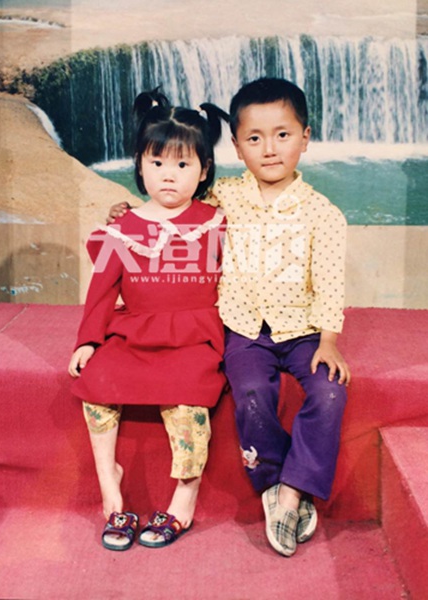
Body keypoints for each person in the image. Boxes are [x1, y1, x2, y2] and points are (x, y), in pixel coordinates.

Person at [108, 77, 351, 557]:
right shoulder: (225, 197)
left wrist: (329, 341)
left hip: (304, 331)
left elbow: (329, 283)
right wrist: (131, 211)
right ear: (237, 147)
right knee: (253, 392)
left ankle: (293, 490)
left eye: (283, 135)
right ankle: (270, 480)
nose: (269, 149)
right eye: (254, 138)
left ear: (305, 138)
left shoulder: (324, 215)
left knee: (329, 391)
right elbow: (174, 207)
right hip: (243, 329)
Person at [69, 88, 228, 551]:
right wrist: (87, 341)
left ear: (204, 170)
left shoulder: (218, 222)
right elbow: (102, 291)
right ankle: (110, 487)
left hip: (195, 336)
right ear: (140, 164)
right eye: (157, 162)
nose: (169, 175)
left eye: (183, 165)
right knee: (97, 383)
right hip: (137, 329)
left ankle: (184, 496)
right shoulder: (122, 229)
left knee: (188, 398)